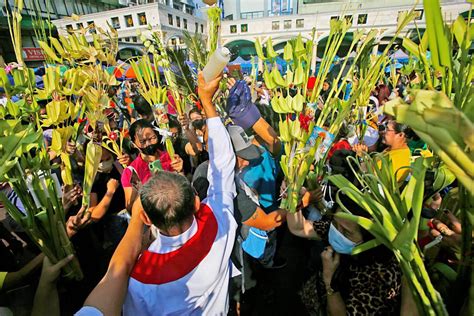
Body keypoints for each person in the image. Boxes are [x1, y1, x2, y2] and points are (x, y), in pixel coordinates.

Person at [122, 71, 239, 315]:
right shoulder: (219, 222)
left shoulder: (140, 278)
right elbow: (223, 166)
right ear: (197, 202)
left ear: (146, 219)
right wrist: (207, 102)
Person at [287, 193, 417, 316]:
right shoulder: (341, 226)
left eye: (346, 232)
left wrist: (329, 282)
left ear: (370, 240)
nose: (337, 232)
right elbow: (298, 227)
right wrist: (294, 199)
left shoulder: (381, 276)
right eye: (335, 223)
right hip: (315, 301)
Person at [121, 119, 184, 210]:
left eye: (152, 138)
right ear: (134, 143)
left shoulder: (171, 157)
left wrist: (180, 171)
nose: (148, 144)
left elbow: (183, 188)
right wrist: (140, 190)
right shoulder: (131, 172)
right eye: (142, 141)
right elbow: (130, 207)